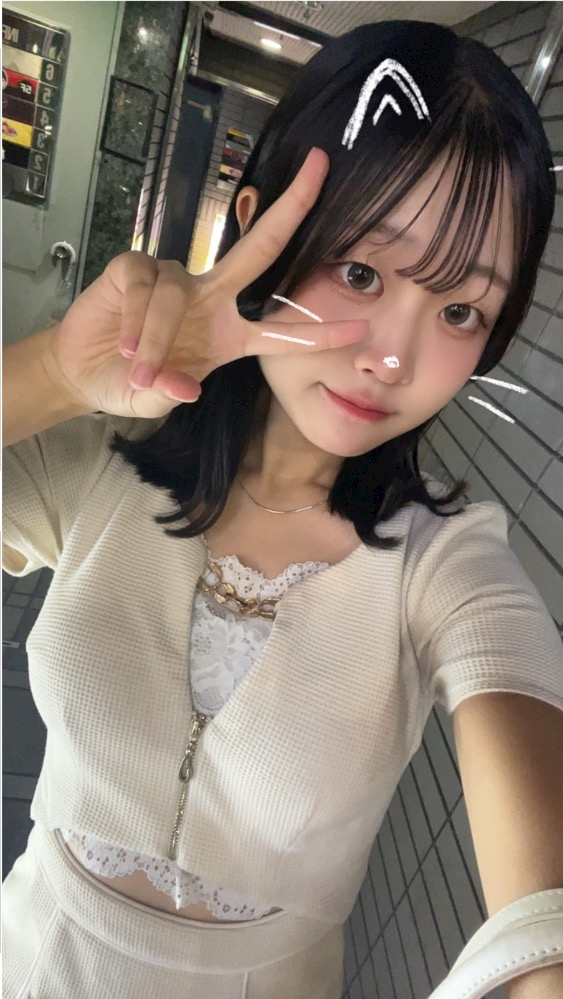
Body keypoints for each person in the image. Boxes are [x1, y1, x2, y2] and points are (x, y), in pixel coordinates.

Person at [3, 19, 563, 999]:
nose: (391, 356)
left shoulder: (445, 568)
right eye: (360, 271)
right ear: (258, 227)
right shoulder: (105, 463)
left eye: (459, 311)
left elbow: (542, 916)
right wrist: (55, 373)